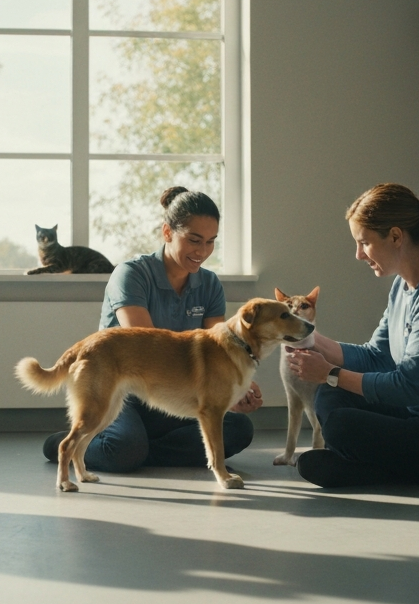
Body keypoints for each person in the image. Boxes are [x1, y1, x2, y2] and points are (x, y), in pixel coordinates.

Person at [287, 183, 419, 488]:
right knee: (332, 397)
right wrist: (307, 337)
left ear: (396, 236)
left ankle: (371, 469)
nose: (359, 255)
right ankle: (377, 465)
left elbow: (409, 387)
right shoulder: (402, 286)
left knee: (340, 422)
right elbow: (377, 356)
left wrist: (331, 373)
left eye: (364, 243)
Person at [42, 186, 259, 471]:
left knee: (239, 429)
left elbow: (220, 352)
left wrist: (231, 390)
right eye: (194, 240)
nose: (202, 251)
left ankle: (141, 448)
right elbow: (148, 349)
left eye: (210, 241)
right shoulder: (131, 274)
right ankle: (74, 443)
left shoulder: (210, 284)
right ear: (167, 232)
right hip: (125, 388)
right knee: (124, 449)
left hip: (172, 394)